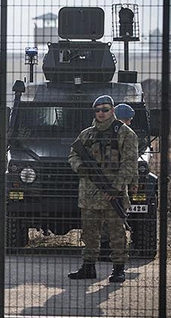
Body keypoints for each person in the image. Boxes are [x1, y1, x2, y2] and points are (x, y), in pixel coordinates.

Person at [67, 95, 138, 282]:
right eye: (97, 110)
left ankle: (118, 268)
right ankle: (88, 267)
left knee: (116, 233)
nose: (101, 113)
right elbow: (73, 155)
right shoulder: (86, 134)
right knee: (89, 233)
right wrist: (80, 167)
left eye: (105, 109)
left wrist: (116, 188)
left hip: (112, 195)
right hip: (89, 194)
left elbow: (130, 164)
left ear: (113, 110)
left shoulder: (125, 133)